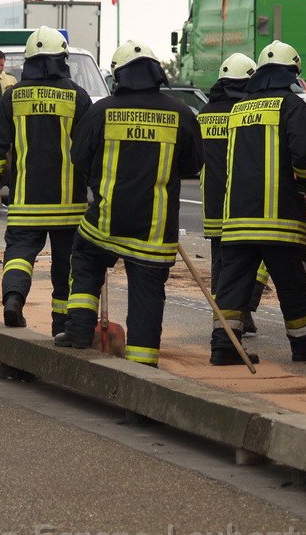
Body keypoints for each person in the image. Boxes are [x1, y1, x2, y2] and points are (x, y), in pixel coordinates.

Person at [56, 40, 202, 367]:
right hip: (155, 230)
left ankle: (79, 330)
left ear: (119, 76)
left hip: (106, 222)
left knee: (84, 260)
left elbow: (78, 157)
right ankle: (143, 365)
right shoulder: (180, 112)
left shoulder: (101, 111)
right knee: (147, 295)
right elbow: (194, 165)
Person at [211, 40, 306, 365]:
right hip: (279, 219)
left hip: (236, 219)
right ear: (290, 73)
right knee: (293, 282)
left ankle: (223, 346)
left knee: (231, 285)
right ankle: (304, 344)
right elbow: (304, 153)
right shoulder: (291, 106)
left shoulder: (238, 109)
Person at [0, 26, 92, 332]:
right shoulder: (78, 98)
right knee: (65, 266)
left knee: (18, 255)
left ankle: (13, 299)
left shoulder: (12, 97)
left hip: (25, 203)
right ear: (63, 59)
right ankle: (62, 326)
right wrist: (99, 194)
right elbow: (91, 152)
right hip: (69, 206)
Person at [197, 52, 266, 336]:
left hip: (213, 203)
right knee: (257, 257)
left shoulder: (204, 114)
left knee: (221, 261)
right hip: (244, 202)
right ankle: (243, 309)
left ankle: (223, 314)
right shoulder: (248, 113)